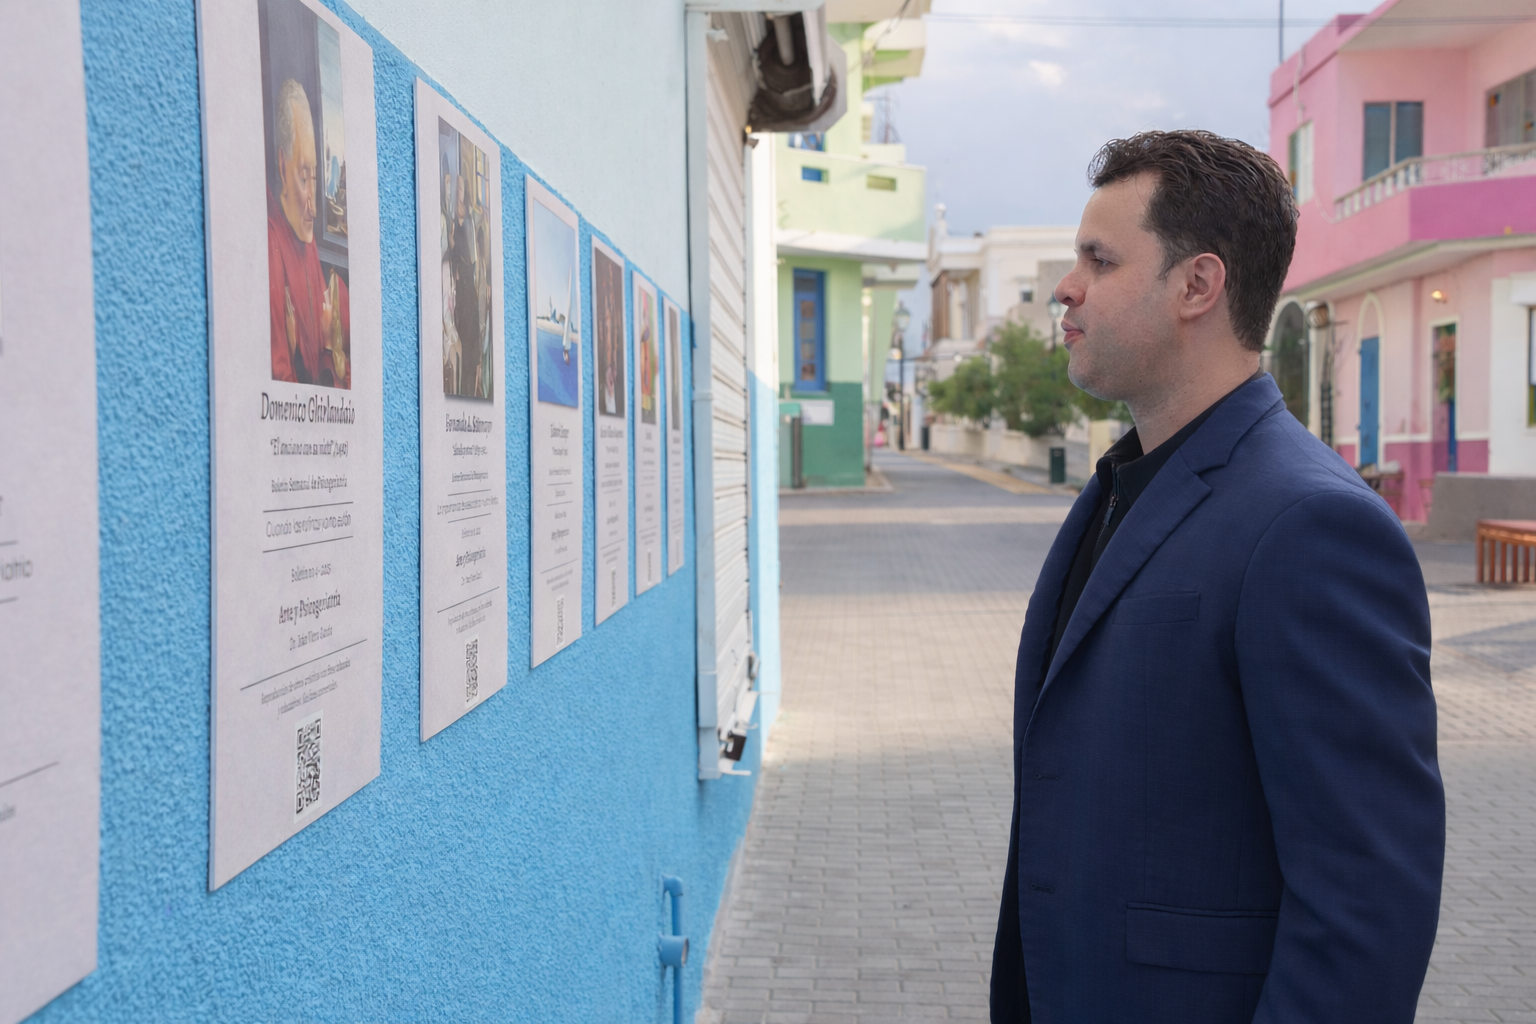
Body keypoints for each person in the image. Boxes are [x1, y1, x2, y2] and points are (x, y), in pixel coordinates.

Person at [990, 130, 1443, 1023]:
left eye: (1099, 260)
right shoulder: (1123, 484)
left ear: (1198, 285)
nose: (1066, 288)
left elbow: (1365, 900)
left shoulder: (1312, 526)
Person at [268, 77, 350, 389]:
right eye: (304, 178)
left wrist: (329, 346)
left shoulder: (308, 241)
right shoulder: (272, 244)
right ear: (282, 165)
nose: (313, 209)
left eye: (315, 179)